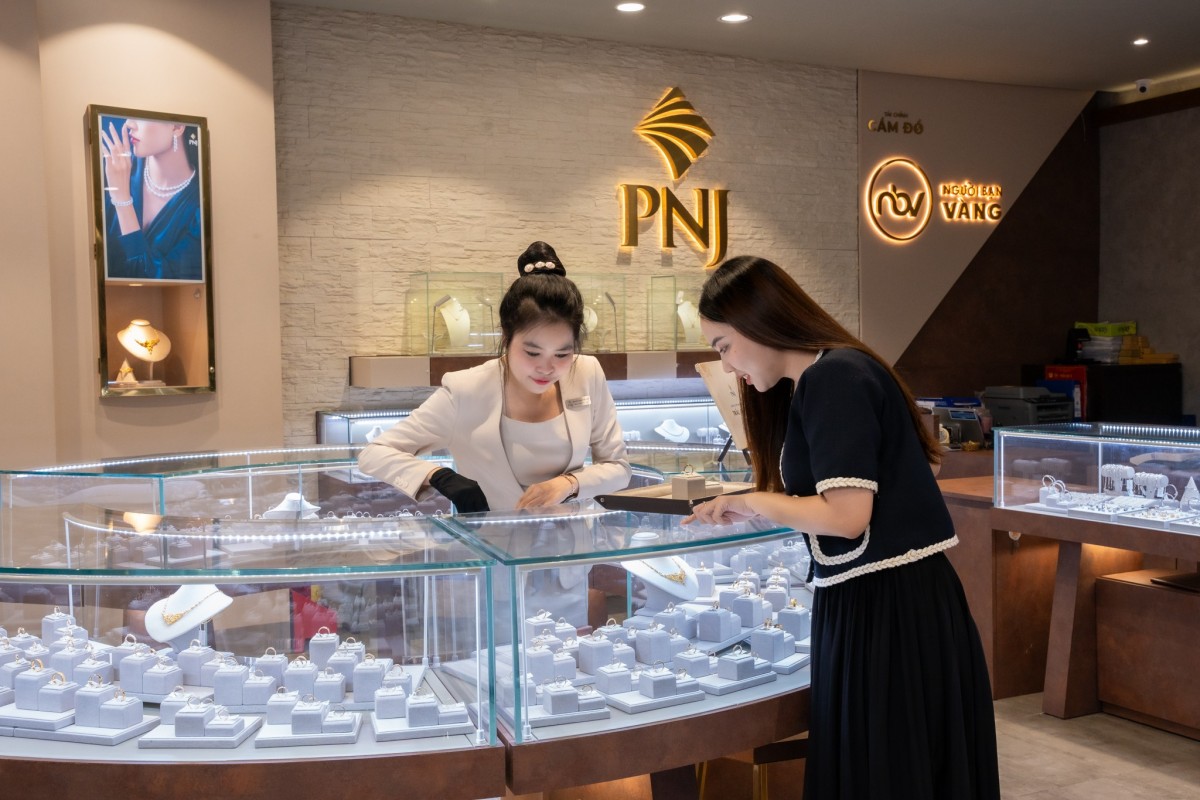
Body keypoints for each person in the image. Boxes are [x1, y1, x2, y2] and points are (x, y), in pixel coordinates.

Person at [684, 256, 1000, 800]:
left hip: (888, 607)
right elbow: (918, 467)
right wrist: (763, 507)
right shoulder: (837, 372)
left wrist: (758, 500)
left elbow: (848, 518)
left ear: (760, 322)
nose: (728, 366)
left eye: (724, 346)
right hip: (895, 600)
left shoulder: (832, 378)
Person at [358, 241, 631, 512]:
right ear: (506, 337)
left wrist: (569, 484)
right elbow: (375, 452)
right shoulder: (466, 390)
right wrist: (439, 476)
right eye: (532, 353)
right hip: (492, 538)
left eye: (562, 354)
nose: (547, 368)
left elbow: (618, 467)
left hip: (575, 537)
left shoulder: (586, 373)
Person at [99, 115, 203, 282]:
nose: (129, 124)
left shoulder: (199, 209)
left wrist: (122, 199)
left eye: (141, 117)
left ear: (177, 127)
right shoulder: (117, 170)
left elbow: (157, 282)